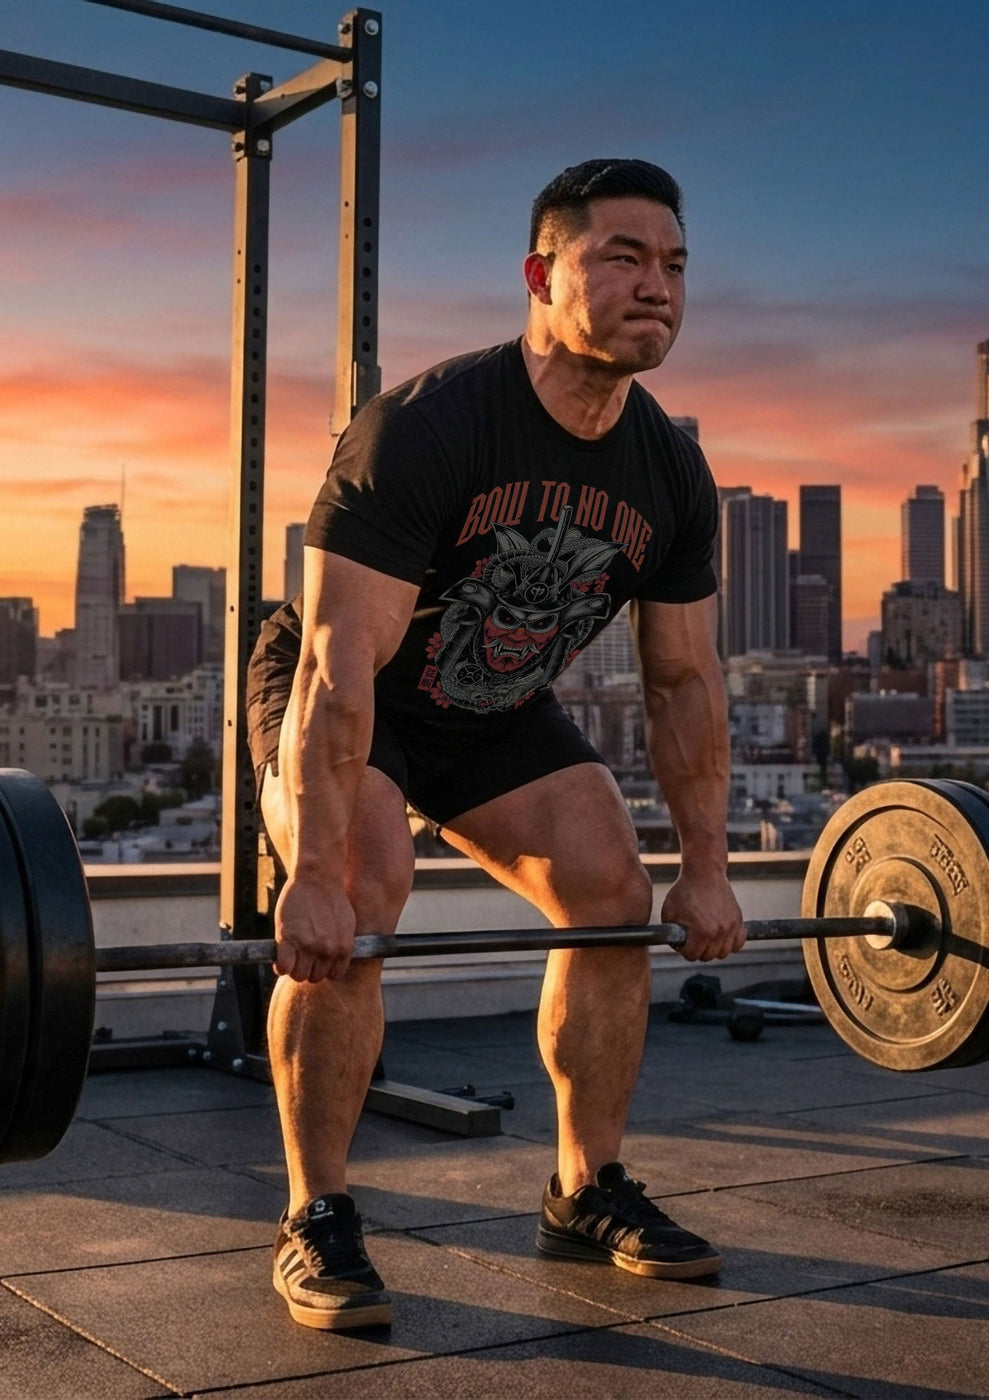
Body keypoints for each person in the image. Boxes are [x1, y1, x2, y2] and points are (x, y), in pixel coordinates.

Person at [246, 158, 746, 1331]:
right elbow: (334, 666)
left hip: (491, 705)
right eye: (619, 256)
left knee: (611, 890)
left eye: (671, 264)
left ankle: (585, 1184)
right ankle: (316, 1210)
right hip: (349, 689)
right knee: (364, 894)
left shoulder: (668, 468)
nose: (654, 285)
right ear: (540, 274)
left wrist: (708, 865)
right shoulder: (425, 428)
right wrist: (315, 876)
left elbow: (681, 680)